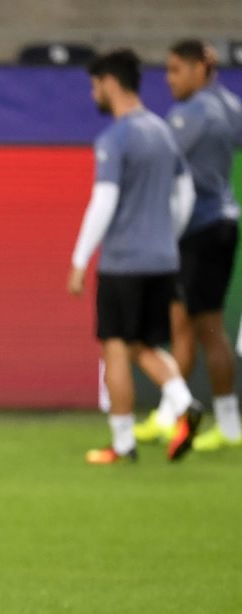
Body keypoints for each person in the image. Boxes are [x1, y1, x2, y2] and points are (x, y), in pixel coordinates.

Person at [69, 49, 201, 464]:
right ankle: (182, 401)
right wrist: (165, 236)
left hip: (124, 261)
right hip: (162, 259)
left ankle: (123, 443)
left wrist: (78, 259)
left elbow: (103, 201)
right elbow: (186, 194)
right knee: (143, 344)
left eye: (95, 86)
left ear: (110, 83)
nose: (94, 94)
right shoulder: (163, 132)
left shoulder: (116, 138)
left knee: (114, 346)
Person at [134, 40, 242, 451]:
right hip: (221, 225)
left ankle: (180, 416)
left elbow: (158, 162)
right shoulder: (229, 105)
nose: (169, 79)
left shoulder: (191, 115)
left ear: (200, 70)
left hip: (198, 228)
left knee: (198, 327)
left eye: (177, 70)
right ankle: (204, 418)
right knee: (197, 325)